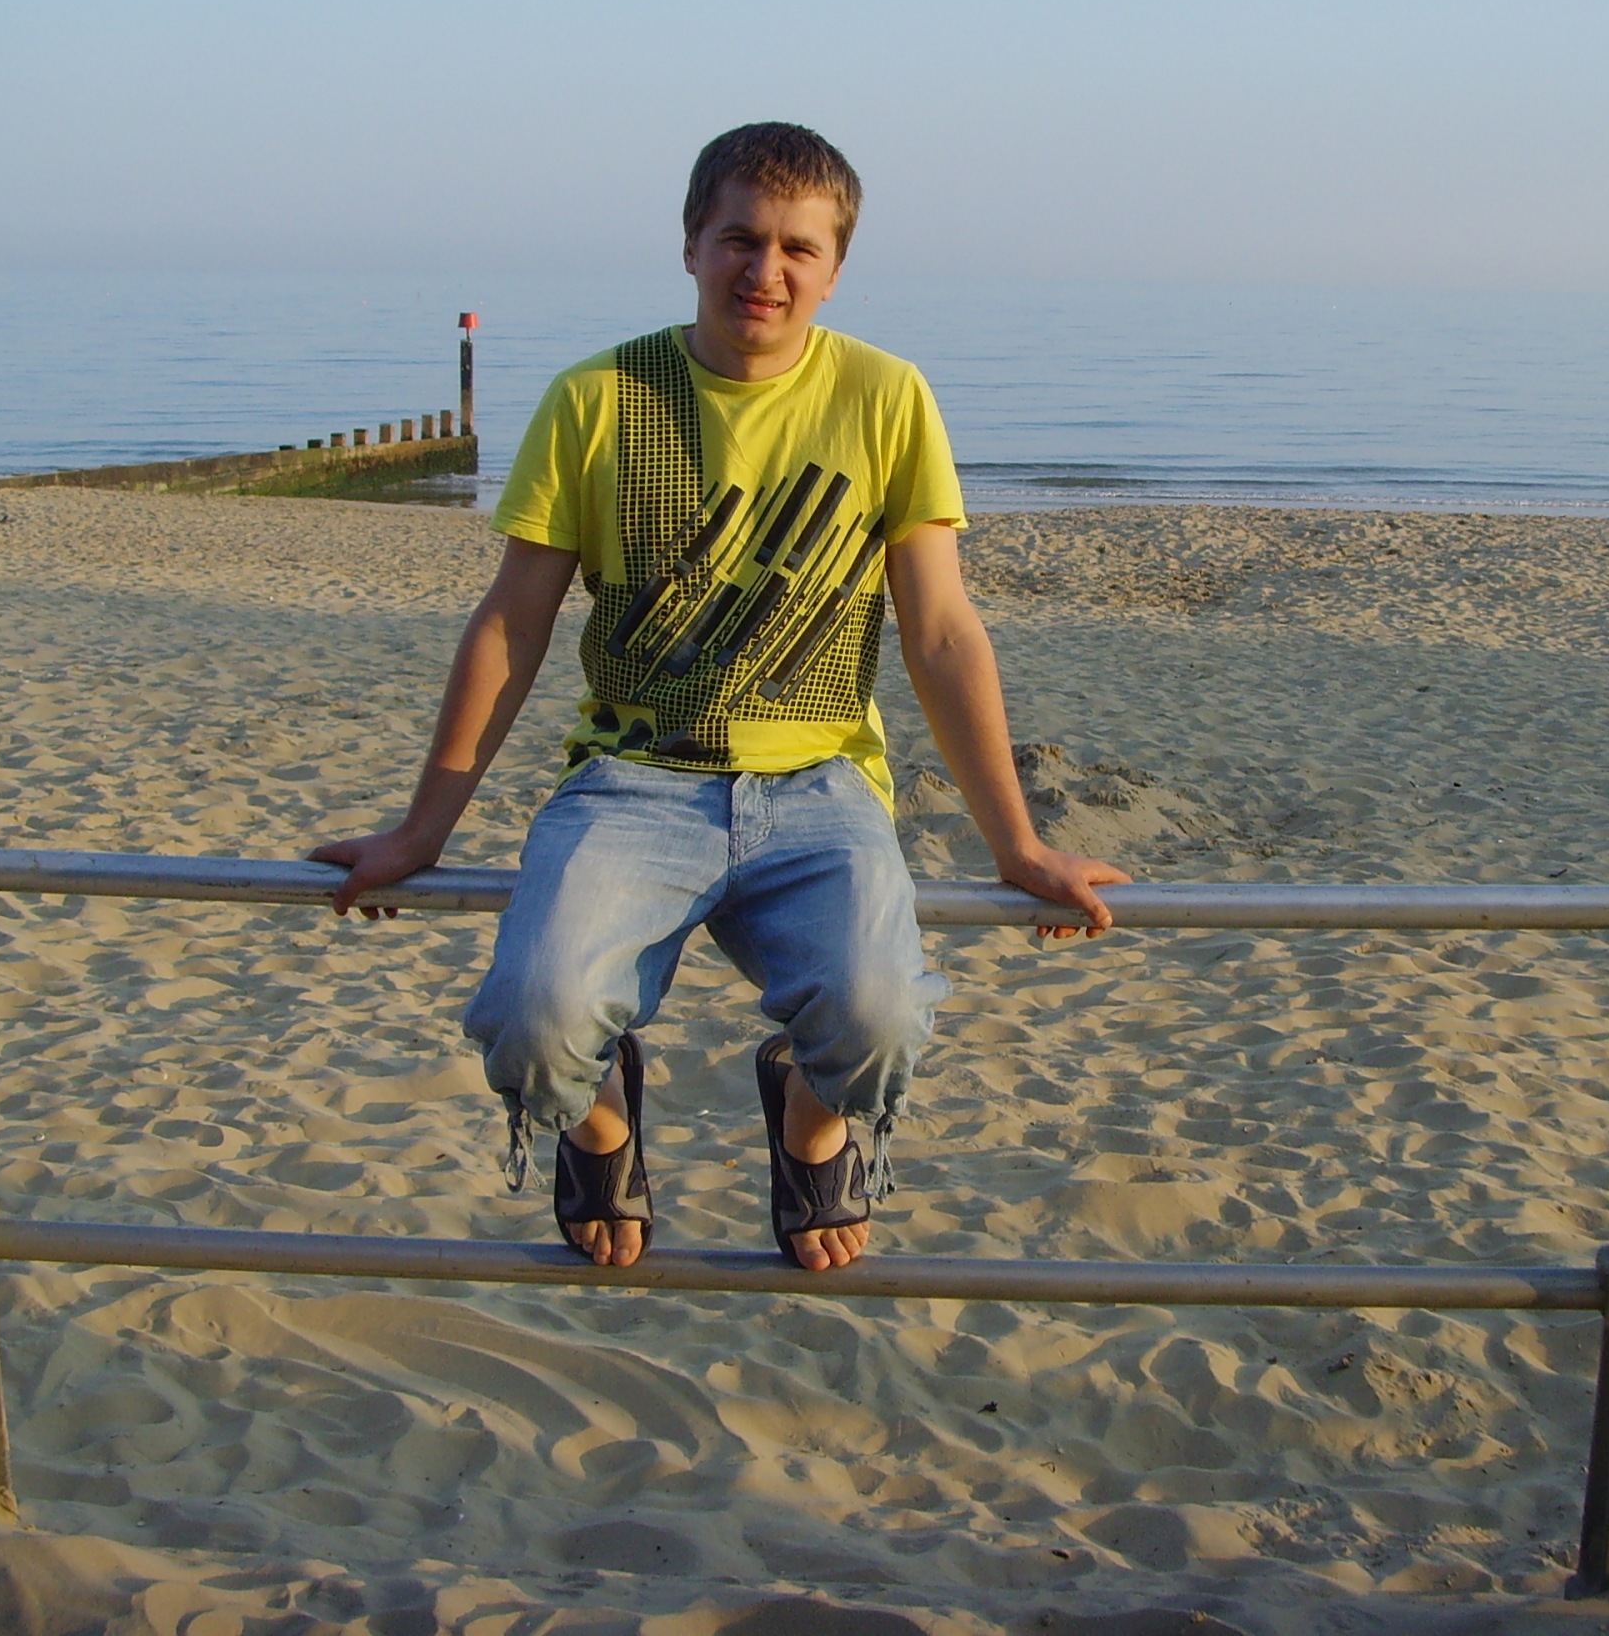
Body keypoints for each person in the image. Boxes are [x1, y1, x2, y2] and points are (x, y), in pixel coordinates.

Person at [314, 123, 1125, 1271]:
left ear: (834, 268)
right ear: (692, 243)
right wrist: (420, 832)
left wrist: (1020, 845)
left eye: (798, 248)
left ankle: (809, 1126)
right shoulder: (598, 398)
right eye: (740, 238)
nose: (766, 270)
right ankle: (603, 1129)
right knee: (534, 1024)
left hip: (820, 785)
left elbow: (942, 631)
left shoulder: (886, 397)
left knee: (880, 1020)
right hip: (631, 780)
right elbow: (511, 624)